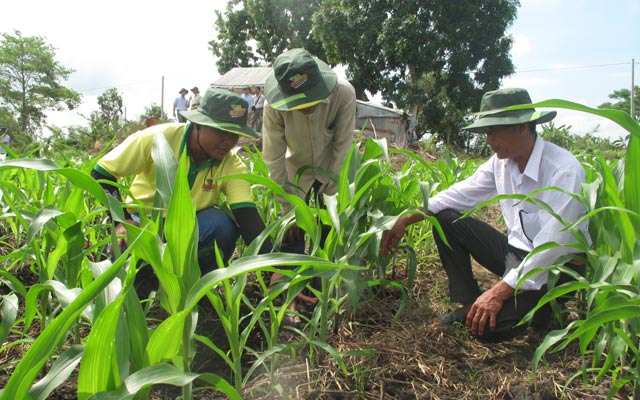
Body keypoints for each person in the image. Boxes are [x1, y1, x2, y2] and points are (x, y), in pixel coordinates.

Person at [381, 88, 589, 341]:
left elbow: (552, 248)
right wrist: (405, 218)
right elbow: (458, 195)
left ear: (522, 126)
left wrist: (498, 292)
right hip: (516, 254)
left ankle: (547, 310)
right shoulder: (501, 162)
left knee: (488, 330)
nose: (487, 139)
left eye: (493, 131)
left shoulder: (563, 171)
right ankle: (470, 303)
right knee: (446, 218)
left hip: (555, 268)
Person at [91, 88, 271, 293]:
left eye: (235, 135)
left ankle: (195, 289)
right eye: (221, 132)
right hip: (144, 224)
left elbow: (247, 216)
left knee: (222, 226)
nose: (229, 142)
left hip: (193, 229)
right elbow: (101, 173)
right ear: (197, 124)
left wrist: (279, 266)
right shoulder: (158, 139)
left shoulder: (230, 163)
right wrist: (120, 221)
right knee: (131, 288)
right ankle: (148, 281)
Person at [262, 48, 357, 319]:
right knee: (292, 239)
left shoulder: (344, 94)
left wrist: (330, 196)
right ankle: (288, 303)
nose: (307, 106)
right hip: (294, 178)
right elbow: (273, 158)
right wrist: (289, 210)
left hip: (332, 172)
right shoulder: (274, 106)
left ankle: (323, 299)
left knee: (327, 238)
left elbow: (343, 148)